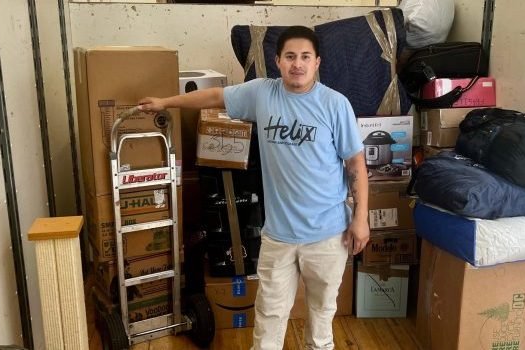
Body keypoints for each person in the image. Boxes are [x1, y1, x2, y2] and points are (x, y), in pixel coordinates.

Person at [137, 25, 369, 350]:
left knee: (320, 323)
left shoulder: (335, 105)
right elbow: (216, 95)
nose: (297, 64)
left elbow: (355, 163)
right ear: (277, 61)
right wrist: (166, 102)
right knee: (268, 321)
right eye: (290, 56)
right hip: (278, 237)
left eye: (305, 57)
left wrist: (361, 218)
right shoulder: (263, 93)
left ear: (317, 62)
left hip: (328, 236)